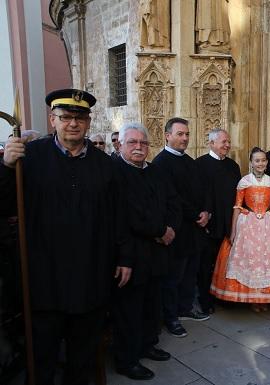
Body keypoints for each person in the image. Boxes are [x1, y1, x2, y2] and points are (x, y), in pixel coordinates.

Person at [0, 88, 121, 384]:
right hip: (44, 278)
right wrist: (5, 167)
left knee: (82, 356)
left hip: (89, 277)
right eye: (65, 117)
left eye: (80, 117)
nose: (73, 123)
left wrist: (124, 257)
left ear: (89, 123)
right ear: (52, 119)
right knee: (42, 354)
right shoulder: (31, 157)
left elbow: (117, 217)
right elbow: (4, 205)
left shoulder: (105, 165)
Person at [112, 122, 181, 380]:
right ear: (120, 144)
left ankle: (147, 344)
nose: (139, 147)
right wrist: (160, 231)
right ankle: (127, 359)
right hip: (131, 253)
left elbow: (173, 202)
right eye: (132, 143)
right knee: (129, 309)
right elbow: (128, 214)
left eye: (143, 143)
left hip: (159, 253)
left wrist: (172, 227)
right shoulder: (115, 172)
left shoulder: (156, 171)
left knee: (152, 304)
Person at [210, 147, 270, 311]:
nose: (260, 163)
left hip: (268, 222)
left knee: (267, 260)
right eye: (257, 160)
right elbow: (237, 206)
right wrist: (234, 230)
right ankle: (251, 299)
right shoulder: (244, 181)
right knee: (250, 260)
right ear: (251, 163)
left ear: (267, 162)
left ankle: (264, 298)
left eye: (263, 160)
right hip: (248, 222)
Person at [152, 117, 210, 338]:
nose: (185, 138)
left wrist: (206, 211)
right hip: (177, 230)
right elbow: (173, 198)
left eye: (187, 134)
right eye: (180, 134)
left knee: (190, 274)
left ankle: (185, 308)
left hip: (195, 230)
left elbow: (202, 190)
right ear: (167, 136)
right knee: (173, 277)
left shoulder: (190, 161)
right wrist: (197, 214)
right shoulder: (161, 163)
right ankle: (171, 317)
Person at [196, 128, 241, 315]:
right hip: (210, 225)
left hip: (230, 223)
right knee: (206, 265)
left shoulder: (233, 166)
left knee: (228, 264)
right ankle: (205, 300)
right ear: (211, 143)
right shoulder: (199, 165)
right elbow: (198, 196)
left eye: (228, 141)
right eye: (223, 142)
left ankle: (225, 297)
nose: (227, 145)